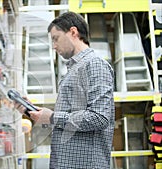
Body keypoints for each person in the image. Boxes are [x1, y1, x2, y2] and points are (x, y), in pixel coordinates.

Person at [15, 11, 115, 168]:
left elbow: (99, 117)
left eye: (56, 38)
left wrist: (53, 117)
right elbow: (71, 116)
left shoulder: (94, 65)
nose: (54, 46)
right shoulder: (74, 70)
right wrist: (35, 112)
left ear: (73, 32)